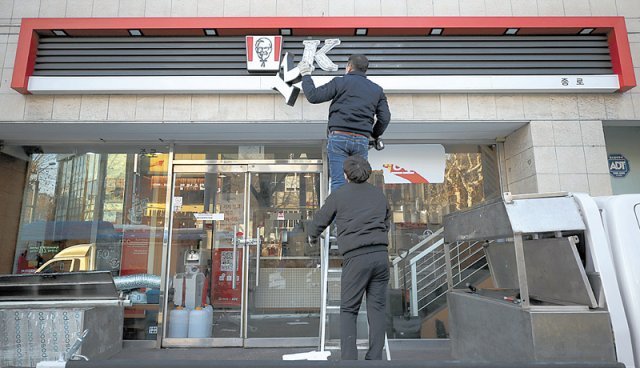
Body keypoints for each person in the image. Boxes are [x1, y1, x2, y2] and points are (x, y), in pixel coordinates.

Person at [307, 155, 391, 360]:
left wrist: (312, 236)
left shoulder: (339, 194)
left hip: (356, 258)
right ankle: (374, 359)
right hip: (381, 256)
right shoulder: (379, 195)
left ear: (346, 175)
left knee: (348, 310)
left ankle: (349, 360)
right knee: (377, 310)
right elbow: (387, 221)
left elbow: (320, 219)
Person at [298, 54, 391, 192]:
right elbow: (385, 117)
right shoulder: (376, 90)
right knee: (359, 182)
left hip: (338, 137)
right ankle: (357, 213)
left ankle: (339, 213)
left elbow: (313, 96)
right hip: (362, 140)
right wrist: (374, 135)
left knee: (338, 181)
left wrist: (306, 74)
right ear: (365, 70)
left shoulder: (340, 82)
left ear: (349, 67)